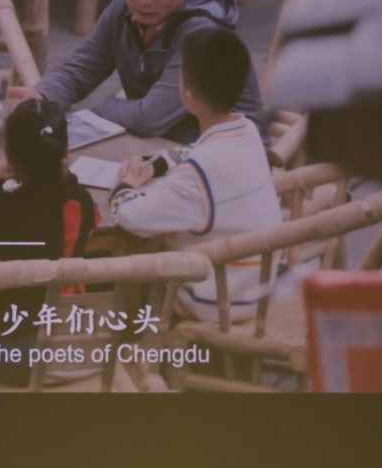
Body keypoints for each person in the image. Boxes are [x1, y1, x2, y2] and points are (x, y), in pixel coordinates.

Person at [10, 0, 262, 144]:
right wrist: (42, 96)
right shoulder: (122, 6)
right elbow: (80, 70)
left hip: (219, 150)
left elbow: (149, 118)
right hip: (157, 142)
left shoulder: (204, 34)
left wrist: (103, 109)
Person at [109, 26, 280, 322]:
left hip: (218, 299)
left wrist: (124, 185)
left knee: (132, 267)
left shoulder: (197, 173)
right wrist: (155, 166)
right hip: (256, 284)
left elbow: (131, 218)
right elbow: (195, 151)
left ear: (190, 97)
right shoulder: (246, 130)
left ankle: (131, 335)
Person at [0, 98, 98, 261]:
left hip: (10, 279)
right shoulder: (80, 203)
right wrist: (61, 172)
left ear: (8, 155)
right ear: (65, 150)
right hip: (64, 278)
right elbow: (94, 217)